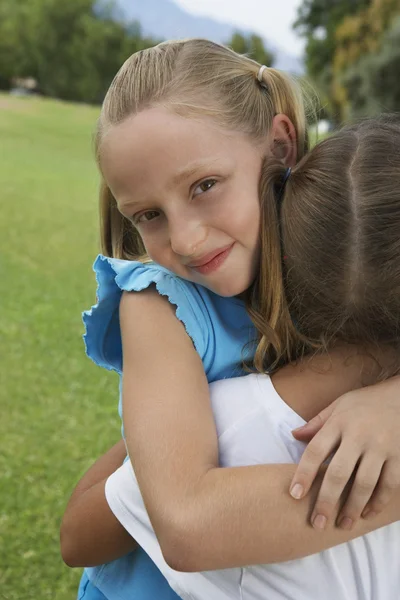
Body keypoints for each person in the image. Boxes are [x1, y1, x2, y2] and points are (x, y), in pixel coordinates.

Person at [60, 38, 400, 600]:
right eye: (149, 216)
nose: (186, 239)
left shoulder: (340, 261)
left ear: (280, 143)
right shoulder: (160, 305)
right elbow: (186, 524)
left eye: (205, 187)